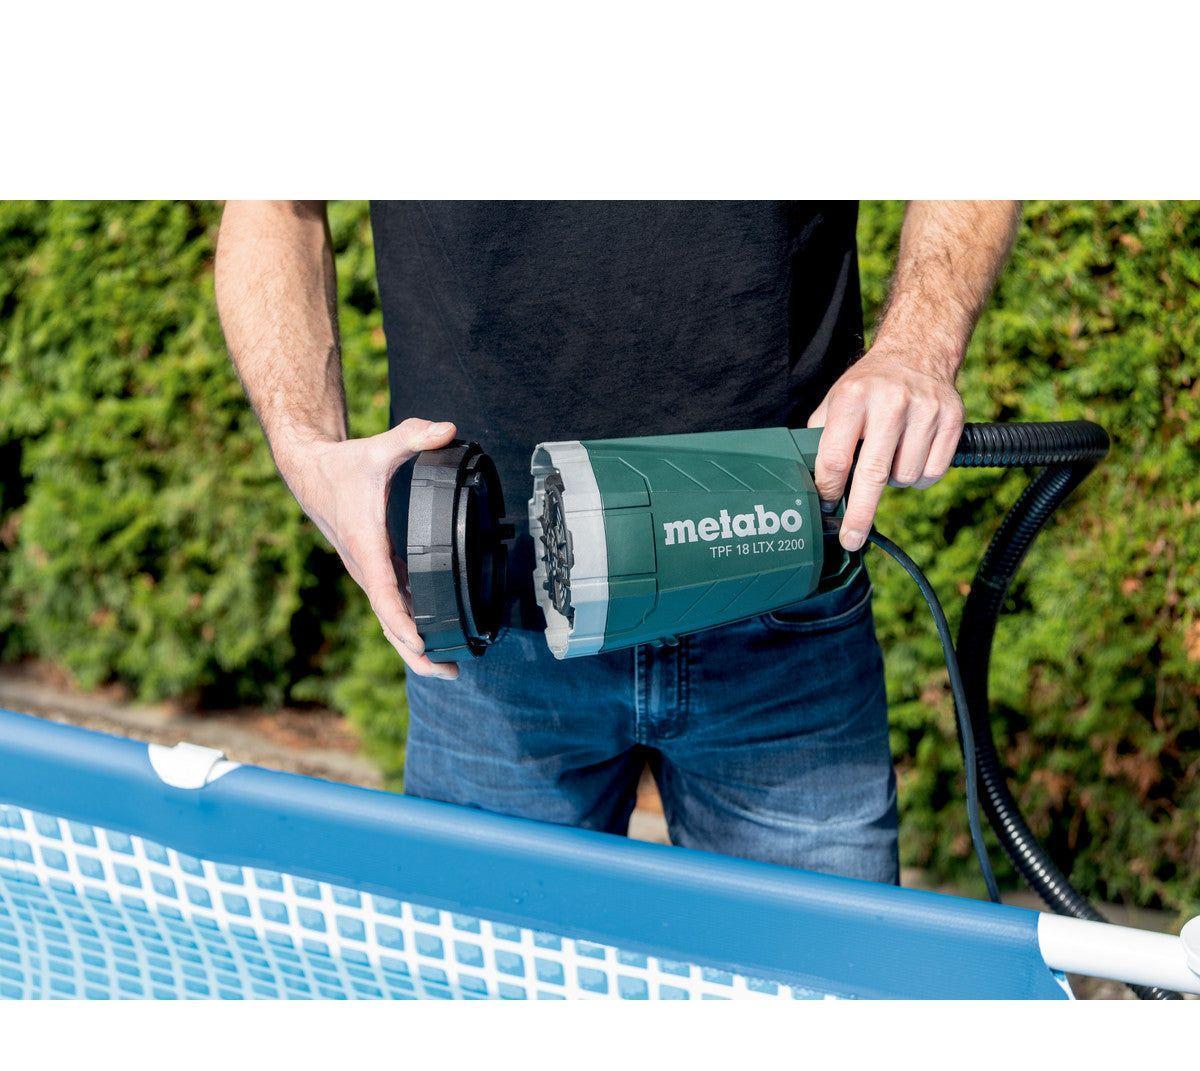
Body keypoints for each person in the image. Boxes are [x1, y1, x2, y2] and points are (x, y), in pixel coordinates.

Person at [215, 201, 1019, 883]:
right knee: (493, 986)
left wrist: (917, 348)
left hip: (778, 586)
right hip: (492, 624)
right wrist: (306, 450)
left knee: (818, 986)